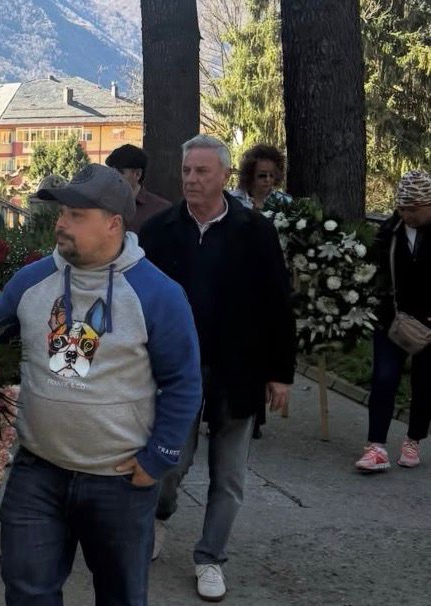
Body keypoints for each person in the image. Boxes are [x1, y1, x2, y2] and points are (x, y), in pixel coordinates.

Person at [0, 163, 203, 606]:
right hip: (38, 472)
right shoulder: (30, 283)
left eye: (76, 215)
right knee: (27, 592)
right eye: (62, 212)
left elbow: (184, 382)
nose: (60, 223)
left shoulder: (157, 294)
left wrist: (159, 457)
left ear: (114, 224)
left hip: (119, 481)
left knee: (120, 597)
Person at [140, 135, 296, 602]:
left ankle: (210, 558)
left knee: (229, 476)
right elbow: (140, 300)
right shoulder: (160, 230)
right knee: (171, 464)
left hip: (239, 370)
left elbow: (277, 305)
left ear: (224, 176)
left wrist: (280, 373)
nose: (191, 179)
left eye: (201, 172)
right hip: (176, 373)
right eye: (187, 171)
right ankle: (159, 517)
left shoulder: (255, 230)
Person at [354, 169, 431, 472]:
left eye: (414, 210)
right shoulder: (389, 232)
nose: (408, 215)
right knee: (384, 378)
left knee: (425, 385)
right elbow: (373, 270)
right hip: (392, 319)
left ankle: (413, 439)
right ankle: (376, 447)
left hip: (428, 321)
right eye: (403, 208)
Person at [105, 143, 172, 233]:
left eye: (120, 172)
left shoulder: (161, 210)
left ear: (137, 174)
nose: (113, 176)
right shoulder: (103, 205)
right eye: (110, 171)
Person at [229, 144, 293, 210]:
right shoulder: (232, 200)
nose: (267, 179)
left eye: (271, 175)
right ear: (250, 175)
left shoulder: (284, 201)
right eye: (262, 175)